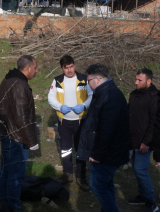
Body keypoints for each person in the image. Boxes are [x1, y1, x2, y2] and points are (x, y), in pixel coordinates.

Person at [77, 63, 129, 212]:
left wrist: (97, 154)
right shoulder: (104, 92)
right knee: (105, 184)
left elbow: (107, 130)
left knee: (98, 185)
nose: (88, 84)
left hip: (107, 153)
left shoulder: (110, 96)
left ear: (97, 79)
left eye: (89, 81)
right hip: (108, 151)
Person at [0, 55, 39, 212]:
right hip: (16, 137)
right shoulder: (20, 85)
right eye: (35, 68)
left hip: (6, 132)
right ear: (27, 68)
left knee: (5, 170)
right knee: (15, 176)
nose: (36, 71)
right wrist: (32, 141)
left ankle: (1, 202)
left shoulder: (8, 79)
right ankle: (12, 207)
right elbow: (22, 117)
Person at [47, 55, 92, 190]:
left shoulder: (84, 79)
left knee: (81, 150)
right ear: (62, 68)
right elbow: (51, 97)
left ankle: (81, 177)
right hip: (64, 122)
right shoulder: (57, 81)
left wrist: (83, 106)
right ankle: (68, 174)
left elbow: (91, 95)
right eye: (66, 68)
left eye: (71, 66)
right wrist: (60, 107)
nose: (69, 70)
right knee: (65, 149)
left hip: (81, 121)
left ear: (74, 65)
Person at [127, 68, 158, 212]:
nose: (136, 82)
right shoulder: (134, 95)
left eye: (140, 80)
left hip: (144, 142)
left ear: (149, 81)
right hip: (132, 139)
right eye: (136, 79)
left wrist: (147, 142)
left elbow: (154, 122)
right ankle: (142, 195)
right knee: (136, 168)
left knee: (141, 169)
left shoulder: (154, 97)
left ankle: (151, 200)